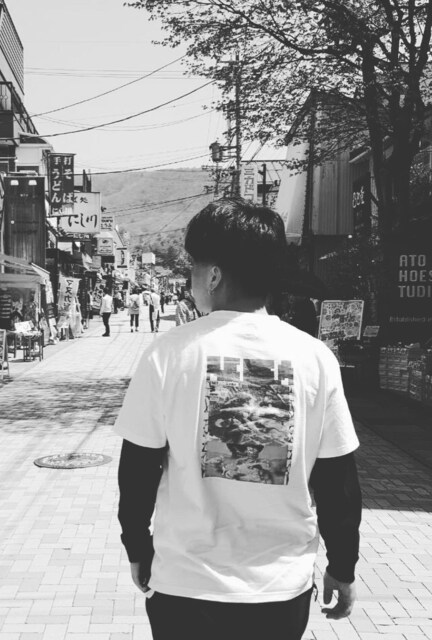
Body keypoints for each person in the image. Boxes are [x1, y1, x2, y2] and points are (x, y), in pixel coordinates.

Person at [114, 198, 361, 640]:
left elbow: (137, 468)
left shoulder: (169, 353)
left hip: (186, 582)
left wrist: (137, 546)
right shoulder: (315, 357)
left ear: (213, 275)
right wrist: (343, 566)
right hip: (280, 586)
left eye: (193, 267)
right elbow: (337, 477)